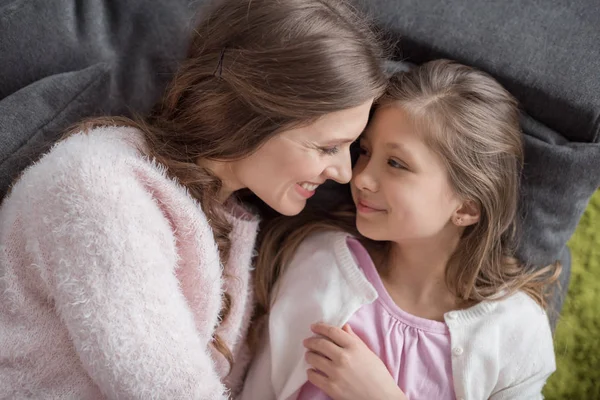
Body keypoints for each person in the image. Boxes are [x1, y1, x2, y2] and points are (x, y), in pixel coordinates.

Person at [0, 0, 388, 398]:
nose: (344, 172)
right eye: (327, 147)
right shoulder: (97, 187)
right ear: (252, 113)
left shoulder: (223, 218)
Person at [244, 60, 561, 400]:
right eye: (365, 151)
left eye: (396, 163)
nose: (360, 176)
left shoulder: (516, 332)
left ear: (467, 207)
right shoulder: (320, 264)